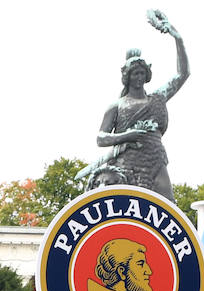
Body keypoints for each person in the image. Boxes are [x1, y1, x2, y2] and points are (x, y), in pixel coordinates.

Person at [79, 11, 189, 200]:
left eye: (141, 73)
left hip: (155, 157)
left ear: (146, 75)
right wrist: (127, 136)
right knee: (129, 209)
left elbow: (183, 74)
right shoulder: (117, 105)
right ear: (127, 77)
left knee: (168, 205)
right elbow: (101, 138)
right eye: (134, 74)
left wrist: (176, 37)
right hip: (126, 163)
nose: (138, 77)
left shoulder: (157, 98)